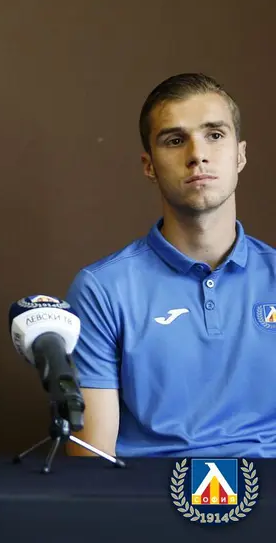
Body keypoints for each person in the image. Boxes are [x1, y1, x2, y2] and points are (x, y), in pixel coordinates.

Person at [67, 72, 276, 458]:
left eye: (215, 134)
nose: (197, 154)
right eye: (175, 140)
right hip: (150, 491)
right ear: (149, 166)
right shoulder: (102, 289)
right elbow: (91, 462)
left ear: (241, 155)